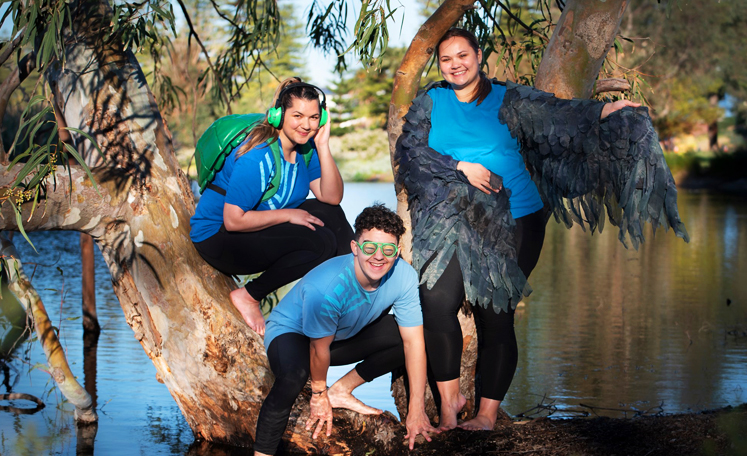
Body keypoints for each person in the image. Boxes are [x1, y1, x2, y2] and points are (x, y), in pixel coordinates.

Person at [396, 28, 688, 431]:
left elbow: (558, 113)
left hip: (514, 218)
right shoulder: (431, 100)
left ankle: (486, 415)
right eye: (446, 59)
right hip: (452, 220)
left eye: (463, 55)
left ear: (479, 56)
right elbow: (411, 152)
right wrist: (460, 167)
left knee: (494, 314)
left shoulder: (507, 98)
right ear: (439, 64)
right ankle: (449, 406)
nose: (455, 65)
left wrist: (605, 112)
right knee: (435, 302)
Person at [254, 204, 438, 455]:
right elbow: (318, 350)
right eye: (370, 247)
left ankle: (341, 390)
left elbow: (414, 343)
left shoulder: (404, 276)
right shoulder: (328, 288)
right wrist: (319, 395)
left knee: (405, 338)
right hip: (293, 334)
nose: (379, 256)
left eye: (388, 249)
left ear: (397, 251)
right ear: (355, 247)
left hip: (338, 338)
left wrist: (417, 408)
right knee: (292, 378)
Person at [190, 77, 353, 337]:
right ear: (278, 115)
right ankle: (249, 296)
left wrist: (323, 144)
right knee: (319, 242)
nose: (306, 125)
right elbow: (233, 220)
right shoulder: (258, 156)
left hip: (253, 232)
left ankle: (350, 295)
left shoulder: (306, 149)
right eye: (298, 115)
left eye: (314, 117)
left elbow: (332, 197)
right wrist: (289, 214)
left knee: (330, 215)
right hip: (218, 238)